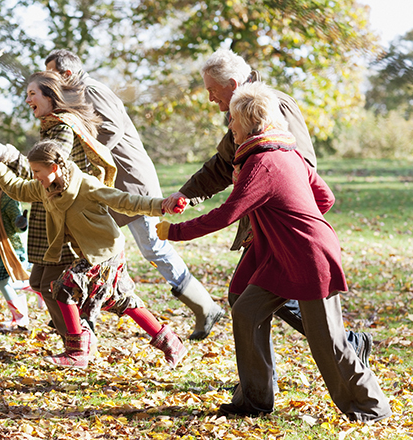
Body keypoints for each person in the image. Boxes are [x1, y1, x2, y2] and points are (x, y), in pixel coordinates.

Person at [156, 82, 391, 421]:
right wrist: (279, 223)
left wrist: (174, 232)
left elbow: (226, 214)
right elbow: (324, 198)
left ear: (249, 121)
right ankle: (254, 400)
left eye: (232, 120)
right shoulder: (284, 153)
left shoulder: (264, 162)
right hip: (280, 257)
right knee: (247, 310)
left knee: (328, 341)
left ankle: (371, 406)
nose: (230, 127)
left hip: (310, 258)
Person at [162, 48, 372, 364]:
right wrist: (186, 195)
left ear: (232, 84)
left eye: (211, 90)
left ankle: (344, 348)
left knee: (257, 297)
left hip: (282, 226)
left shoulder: (270, 105)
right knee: (244, 297)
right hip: (262, 225)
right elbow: (222, 165)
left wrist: (288, 223)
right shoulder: (239, 111)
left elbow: (299, 167)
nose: (209, 98)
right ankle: (259, 384)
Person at [45, 49, 222, 341]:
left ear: (66, 74)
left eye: (52, 74)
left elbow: (111, 128)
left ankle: (205, 307)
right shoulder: (78, 94)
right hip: (111, 183)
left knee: (154, 247)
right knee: (96, 245)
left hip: (130, 180)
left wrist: (83, 160)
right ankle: (79, 311)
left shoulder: (91, 90)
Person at [0, 139, 187, 369]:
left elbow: (124, 201)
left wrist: (162, 205)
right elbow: (17, 189)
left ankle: (77, 351)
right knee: (123, 301)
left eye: (38, 171)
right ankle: (171, 343)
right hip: (89, 254)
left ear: (54, 168)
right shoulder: (45, 188)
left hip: (105, 252)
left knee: (64, 288)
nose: (35, 176)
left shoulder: (86, 186)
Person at [0, 71, 117, 345]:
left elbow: (48, 170)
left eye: (33, 93)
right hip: (48, 212)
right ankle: (74, 339)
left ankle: (79, 339)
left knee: (97, 293)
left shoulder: (63, 127)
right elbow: (38, 171)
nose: (27, 98)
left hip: (63, 217)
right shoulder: (51, 126)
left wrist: (6, 156)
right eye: (27, 93)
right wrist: (3, 158)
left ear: (50, 97)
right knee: (42, 284)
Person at [0, 161, 34, 331]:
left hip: (10, 249)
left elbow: (18, 224)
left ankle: (20, 317)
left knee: (2, 282)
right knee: (4, 282)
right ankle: (33, 287)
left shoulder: (8, 198)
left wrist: (21, 223)